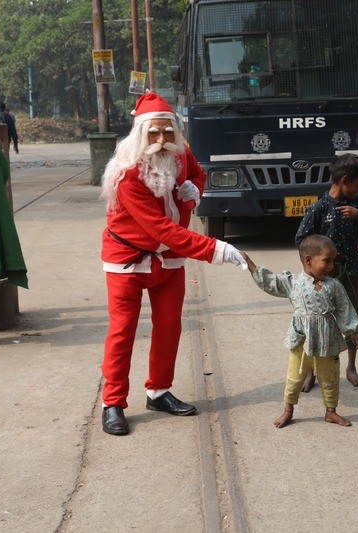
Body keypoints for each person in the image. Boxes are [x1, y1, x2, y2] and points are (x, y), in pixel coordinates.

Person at [98, 92, 246, 436]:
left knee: (169, 326)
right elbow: (161, 228)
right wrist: (215, 249)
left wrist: (194, 188)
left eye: (168, 132)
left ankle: (159, 391)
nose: (162, 140)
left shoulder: (182, 155)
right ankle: (113, 402)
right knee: (122, 332)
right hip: (128, 259)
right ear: (140, 133)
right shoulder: (128, 174)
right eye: (154, 133)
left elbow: (199, 175)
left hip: (168, 259)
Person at [240, 235, 358, 428]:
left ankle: (331, 412)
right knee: (294, 378)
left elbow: (344, 309)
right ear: (308, 260)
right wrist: (249, 262)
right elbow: (270, 282)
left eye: (333, 260)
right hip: (301, 343)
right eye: (327, 261)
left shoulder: (334, 286)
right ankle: (288, 410)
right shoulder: (293, 282)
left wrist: (353, 331)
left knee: (331, 378)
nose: (331, 266)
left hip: (328, 342)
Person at [295, 153, 358, 389]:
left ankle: (351, 367)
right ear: (344, 181)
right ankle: (311, 371)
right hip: (322, 278)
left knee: (352, 319)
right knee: (315, 321)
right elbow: (301, 240)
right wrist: (314, 268)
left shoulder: (357, 206)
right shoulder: (319, 208)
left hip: (350, 273)